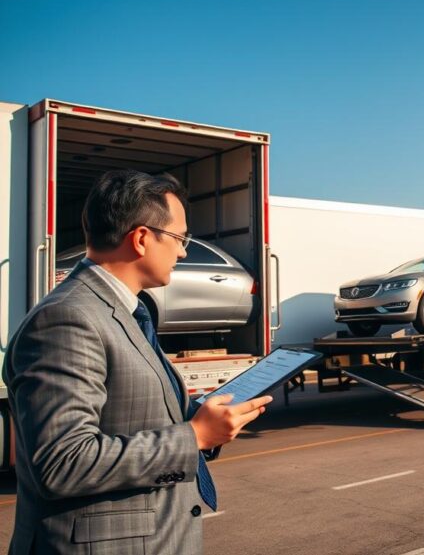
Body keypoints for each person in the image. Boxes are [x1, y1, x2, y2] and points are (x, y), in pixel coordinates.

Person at [2, 170, 273, 554]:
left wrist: (207, 419)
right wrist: (193, 436)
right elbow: (63, 462)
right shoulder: (68, 318)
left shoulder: (124, 311)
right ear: (142, 238)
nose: (182, 252)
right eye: (180, 239)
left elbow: (134, 412)